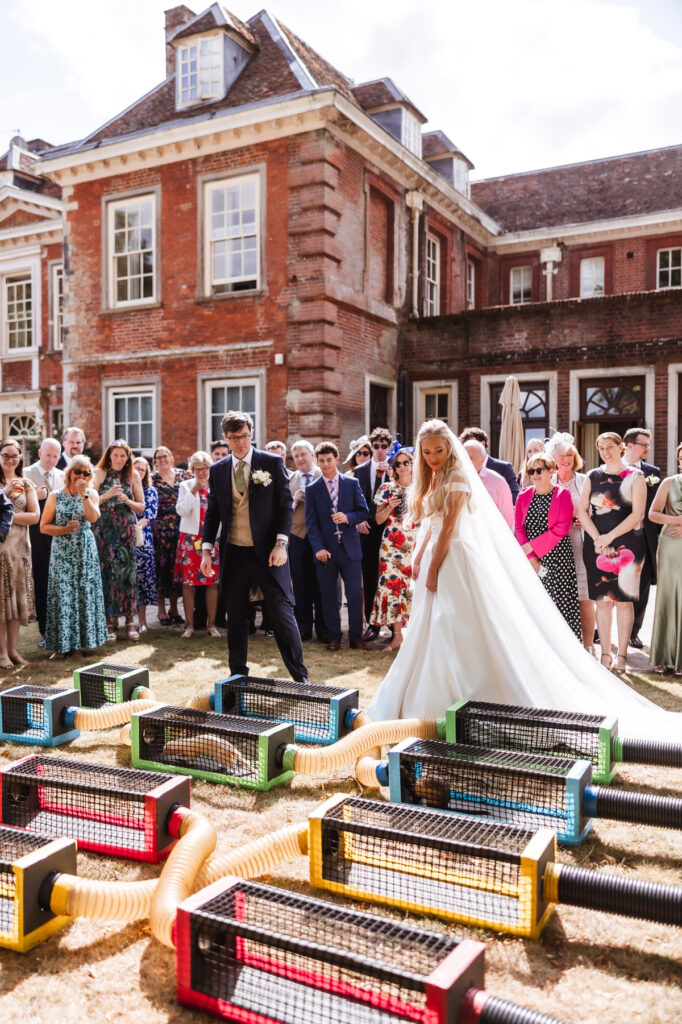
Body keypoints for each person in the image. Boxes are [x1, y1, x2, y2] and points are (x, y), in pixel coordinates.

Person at [367, 419, 680, 743]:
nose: (433, 457)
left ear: (450, 449)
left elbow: (448, 528)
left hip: (454, 559)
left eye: (439, 450)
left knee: (454, 622)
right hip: (435, 555)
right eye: (427, 452)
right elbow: (431, 526)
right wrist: (419, 560)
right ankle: (422, 695)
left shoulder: (459, 476)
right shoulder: (432, 477)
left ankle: (462, 693)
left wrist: (432, 568)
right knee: (430, 625)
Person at [200, 410, 308, 681]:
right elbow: (212, 513)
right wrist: (206, 550)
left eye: (245, 436)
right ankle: (238, 677)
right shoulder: (218, 469)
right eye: (234, 437)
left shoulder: (270, 462)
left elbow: (285, 506)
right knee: (235, 616)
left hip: (268, 553)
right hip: (234, 553)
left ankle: (301, 678)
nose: (241, 442)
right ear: (225, 438)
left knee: (281, 613)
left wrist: (281, 544)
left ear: (252, 435)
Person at [578, 432, 646, 674]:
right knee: (603, 602)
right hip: (596, 546)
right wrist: (598, 538)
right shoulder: (591, 476)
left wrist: (610, 537)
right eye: (601, 448)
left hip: (628, 545)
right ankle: (605, 655)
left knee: (624, 602)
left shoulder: (636, 477)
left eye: (610, 447)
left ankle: (622, 657)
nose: (605, 452)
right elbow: (582, 511)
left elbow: (638, 514)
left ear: (621, 448)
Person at [40, 456, 109, 656]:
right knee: (63, 595)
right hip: (62, 551)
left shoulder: (92, 494)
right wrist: (63, 529)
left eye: (86, 473)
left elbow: (93, 518)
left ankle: (78, 645)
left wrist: (83, 495)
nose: (81, 476)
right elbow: (44, 527)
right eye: (77, 471)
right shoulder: (55, 496)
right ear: (69, 472)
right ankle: (61, 646)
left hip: (84, 551)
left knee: (82, 594)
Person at [305, 441, 369, 650]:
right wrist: (318, 548)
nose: (325, 465)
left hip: (350, 549)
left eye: (329, 460)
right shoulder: (312, 489)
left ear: (337, 459)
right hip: (326, 551)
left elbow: (363, 511)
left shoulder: (351, 484)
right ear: (317, 461)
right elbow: (311, 523)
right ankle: (333, 636)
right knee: (329, 594)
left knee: (354, 593)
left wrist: (348, 517)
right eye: (321, 461)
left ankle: (356, 637)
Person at [515, 452, 581, 639]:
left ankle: (563, 646)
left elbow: (561, 528)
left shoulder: (562, 495)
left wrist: (531, 548)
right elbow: (519, 528)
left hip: (557, 558)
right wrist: (531, 557)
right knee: (534, 603)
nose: (534, 474)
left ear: (552, 470)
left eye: (539, 470)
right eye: (531, 470)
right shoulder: (523, 495)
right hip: (530, 559)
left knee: (557, 603)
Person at [545, 432, 595, 653]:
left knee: (584, 596)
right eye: (560, 456)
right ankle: (560, 647)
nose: (566, 460)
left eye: (569, 455)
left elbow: (595, 511)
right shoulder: (547, 481)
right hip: (554, 546)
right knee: (555, 595)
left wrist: (585, 520)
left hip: (580, 543)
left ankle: (588, 646)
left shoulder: (585, 481)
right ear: (551, 460)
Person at [93, 440, 145, 642]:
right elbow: (89, 500)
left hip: (125, 532)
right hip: (104, 531)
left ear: (128, 458)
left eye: (123, 456)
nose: (119, 459)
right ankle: (108, 623)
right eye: (115, 455)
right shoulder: (99, 473)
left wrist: (127, 500)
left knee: (127, 575)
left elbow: (141, 507)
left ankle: (130, 622)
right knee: (106, 575)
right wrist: (106, 495)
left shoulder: (132, 475)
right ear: (109, 456)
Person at [367, 448, 418, 650]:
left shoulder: (422, 487)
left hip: (415, 542)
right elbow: (378, 519)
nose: (403, 466)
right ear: (393, 468)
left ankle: (414, 635)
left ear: (413, 464)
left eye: (406, 462)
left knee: (413, 587)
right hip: (391, 546)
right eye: (398, 464)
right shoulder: (386, 488)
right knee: (393, 587)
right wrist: (389, 506)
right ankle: (397, 637)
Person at [0, 439, 39, 668]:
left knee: (16, 603)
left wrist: (6, 515)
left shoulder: (26, 483)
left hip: (21, 550)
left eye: (14, 456)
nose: (10, 460)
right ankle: (2, 653)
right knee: (2, 604)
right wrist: (4, 494)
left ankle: (14, 650)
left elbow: (34, 516)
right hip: (1, 550)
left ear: (20, 458)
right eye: (5, 455)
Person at [174, 451, 220, 639]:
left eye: (205, 468)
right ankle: (190, 626)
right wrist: (193, 490)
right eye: (197, 469)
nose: (201, 473)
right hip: (190, 539)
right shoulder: (185, 486)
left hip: (211, 539)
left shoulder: (216, 486)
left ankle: (212, 625)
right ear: (192, 470)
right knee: (188, 583)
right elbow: (181, 511)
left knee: (212, 582)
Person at [622, 427, 660, 649]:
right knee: (614, 583)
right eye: (644, 444)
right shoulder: (612, 470)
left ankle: (634, 631)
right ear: (629, 445)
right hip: (618, 536)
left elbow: (656, 505)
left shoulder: (653, 472)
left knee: (642, 585)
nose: (647, 448)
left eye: (649, 444)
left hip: (644, 537)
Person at [24, 438, 65, 646]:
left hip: (57, 534)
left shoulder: (62, 475)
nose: (51, 460)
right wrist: (36, 495)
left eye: (56, 456)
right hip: (35, 534)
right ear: (40, 452)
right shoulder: (26, 474)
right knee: (42, 580)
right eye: (48, 455)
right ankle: (45, 631)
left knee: (57, 582)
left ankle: (60, 629)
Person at [354, 427, 393, 639]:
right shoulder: (360, 471)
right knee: (369, 577)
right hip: (367, 531)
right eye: (375, 446)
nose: (379, 450)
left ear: (388, 447)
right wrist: (358, 521)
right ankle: (372, 624)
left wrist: (391, 476)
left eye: (383, 446)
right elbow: (353, 501)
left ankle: (393, 625)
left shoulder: (397, 468)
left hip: (391, 531)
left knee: (391, 578)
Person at [288, 439, 328, 642]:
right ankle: (303, 628)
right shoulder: (290, 480)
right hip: (297, 538)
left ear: (312, 456)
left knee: (322, 584)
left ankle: (324, 629)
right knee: (300, 585)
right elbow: (283, 513)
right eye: (296, 456)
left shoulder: (324, 476)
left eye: (304, 454)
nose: (300, 459)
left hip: (321, 538)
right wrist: (294, 501)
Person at [648, 442, 682, 675]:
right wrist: (677, 521)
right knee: (669, 595)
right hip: (671, 544)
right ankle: (664, 654)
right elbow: (652, 514)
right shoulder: (669, 482)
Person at [151, 446, 189, 626]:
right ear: (155, 461)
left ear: (171, 458)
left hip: (180, 529)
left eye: (165, 456)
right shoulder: (152, 479)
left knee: (176, 571)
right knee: (161, 570)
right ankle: (161, 610)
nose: (162, 459)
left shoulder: (184, 476)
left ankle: (175, 609)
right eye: (159, 457)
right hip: (160, 531)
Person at [459, 426, 520, 504]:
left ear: (483, 444)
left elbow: (515, 494)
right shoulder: (462, 471)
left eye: (472, 444)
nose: (468, 449)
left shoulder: (504, 467)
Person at [463, 439, 513, 528]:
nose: (465, 461)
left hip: (491, 538)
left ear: (482, 459)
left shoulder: (498, 482)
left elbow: (507, 518)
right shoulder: (456, 480)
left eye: (470, 458)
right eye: (463, 457)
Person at [133, 457, 158, 635]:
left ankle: (142, 621)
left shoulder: (150, 490)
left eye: (143, 469)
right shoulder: (126, 489)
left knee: (141, 581)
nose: (140, 472)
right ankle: (123, 621)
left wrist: (135, 528)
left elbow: (149, 514)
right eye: (137, 469)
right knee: (125, 581)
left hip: (142, 539)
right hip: (123, 538)